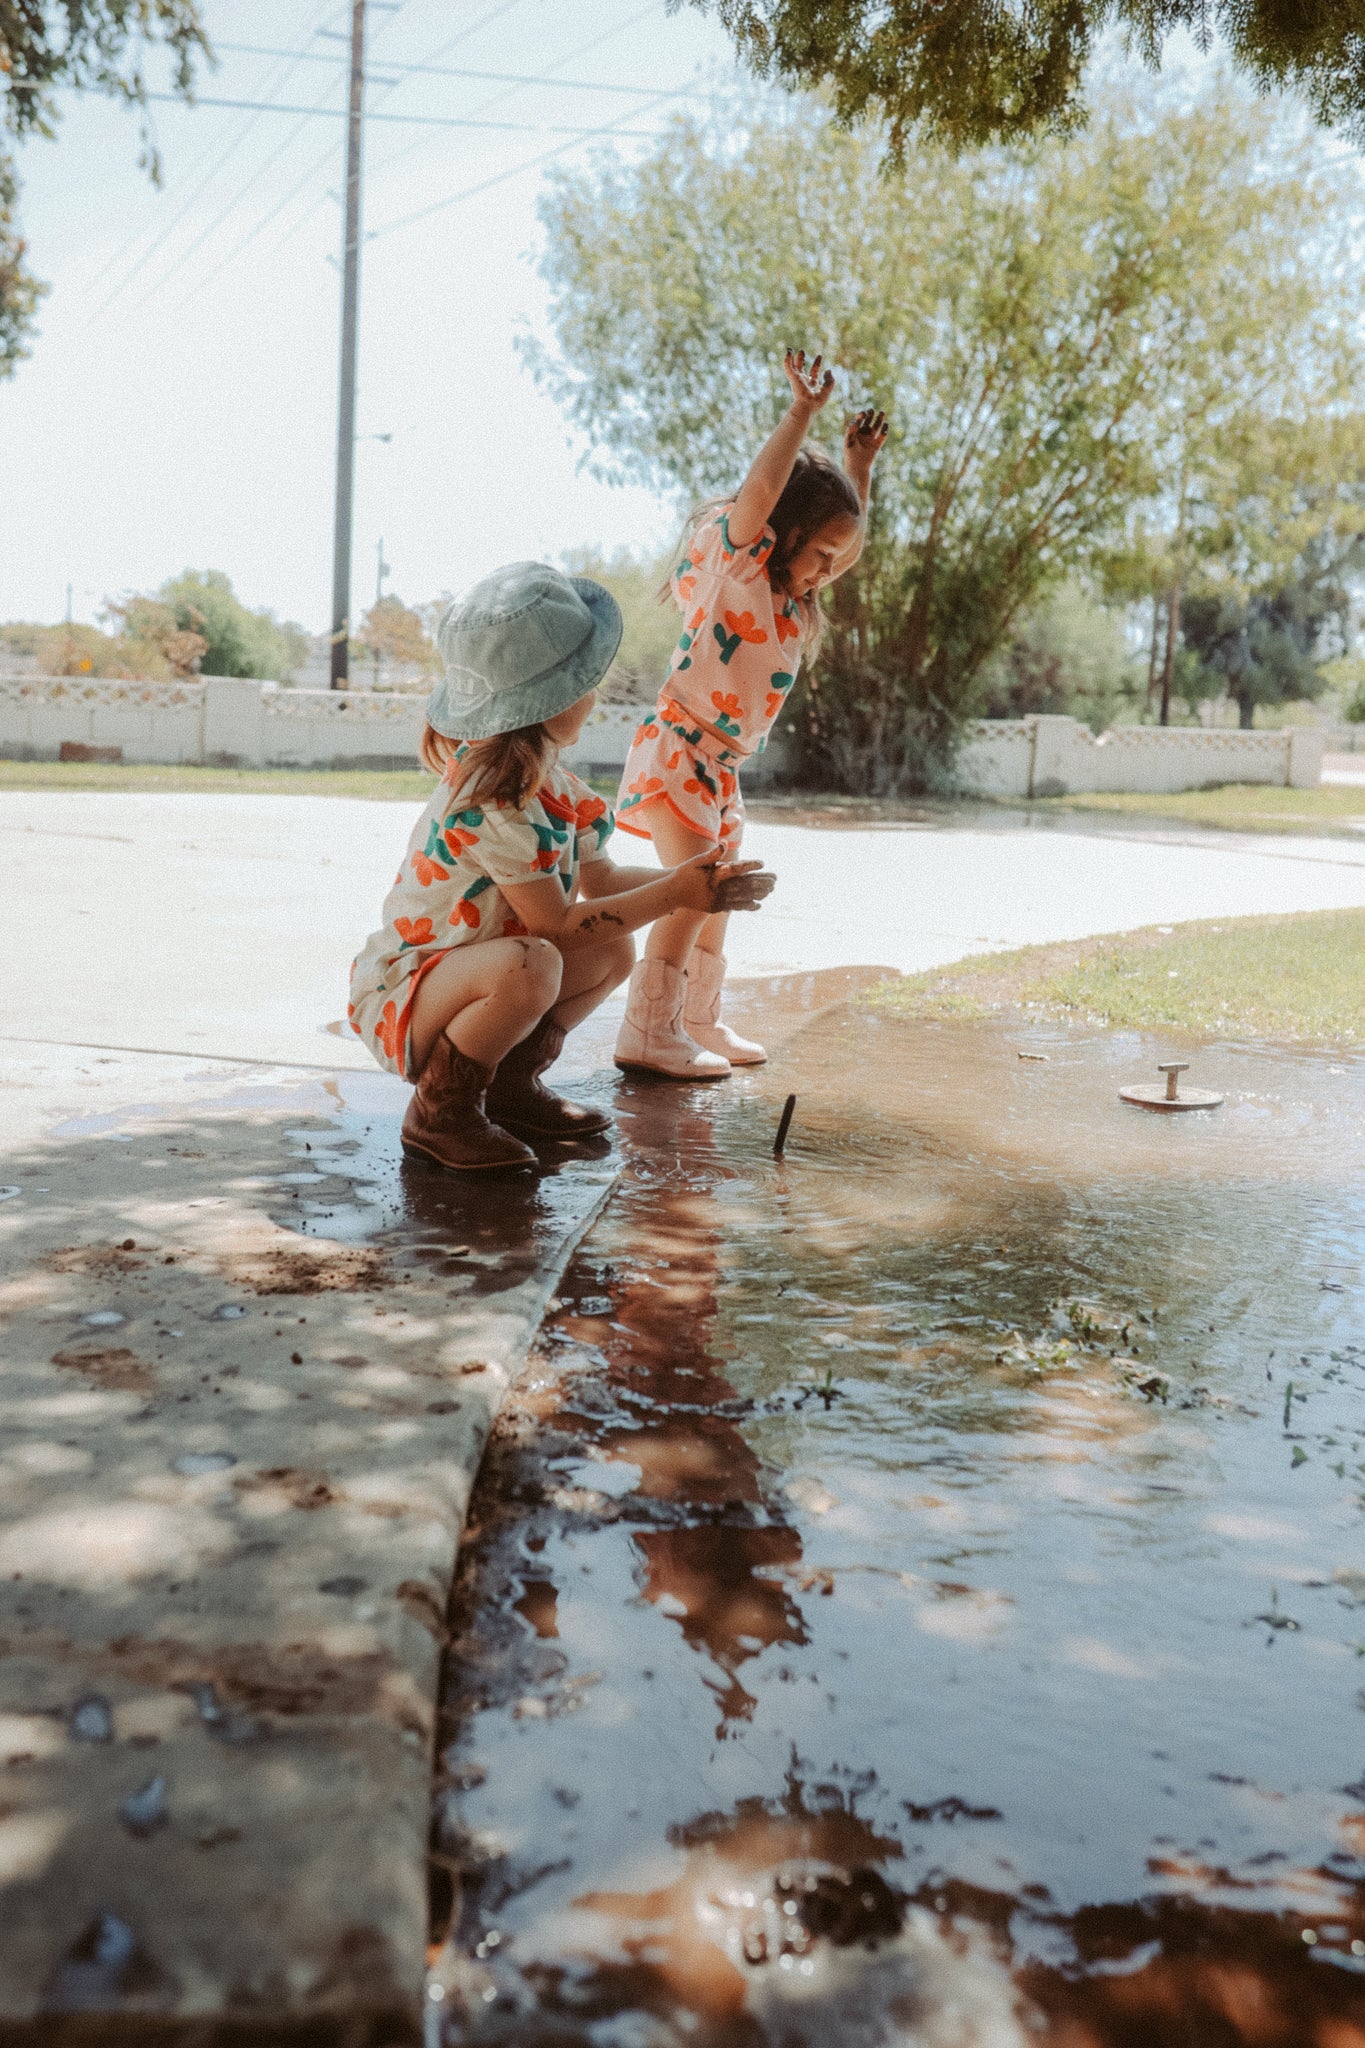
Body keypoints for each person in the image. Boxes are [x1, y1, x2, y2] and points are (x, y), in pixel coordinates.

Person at [348, 561, 776, 1173]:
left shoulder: (558, 787)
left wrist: (693, 886)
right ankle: (441, 1109)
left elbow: (599, 886)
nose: (594, 695)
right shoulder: (491, 797)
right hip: (409, 994)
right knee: (537, 960)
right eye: (584, 683)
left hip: (465, 976)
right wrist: (674, 891)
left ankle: (507, 1086)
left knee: (610, 951)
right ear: (548, 703)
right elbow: (552, 924)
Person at [613, 348, 888, 1079]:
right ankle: (647, 1031)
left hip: (720, 767)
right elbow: (760, 497)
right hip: (679, 749)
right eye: (820, 553)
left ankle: (695, 1018)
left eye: (835, 559)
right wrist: (802, 414)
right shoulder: (734, 566)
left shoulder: (791, 600)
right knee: (692, 889)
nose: (831, 570)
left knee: (721, 893)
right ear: (784, 531)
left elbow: (845, 540)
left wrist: (858, 471)